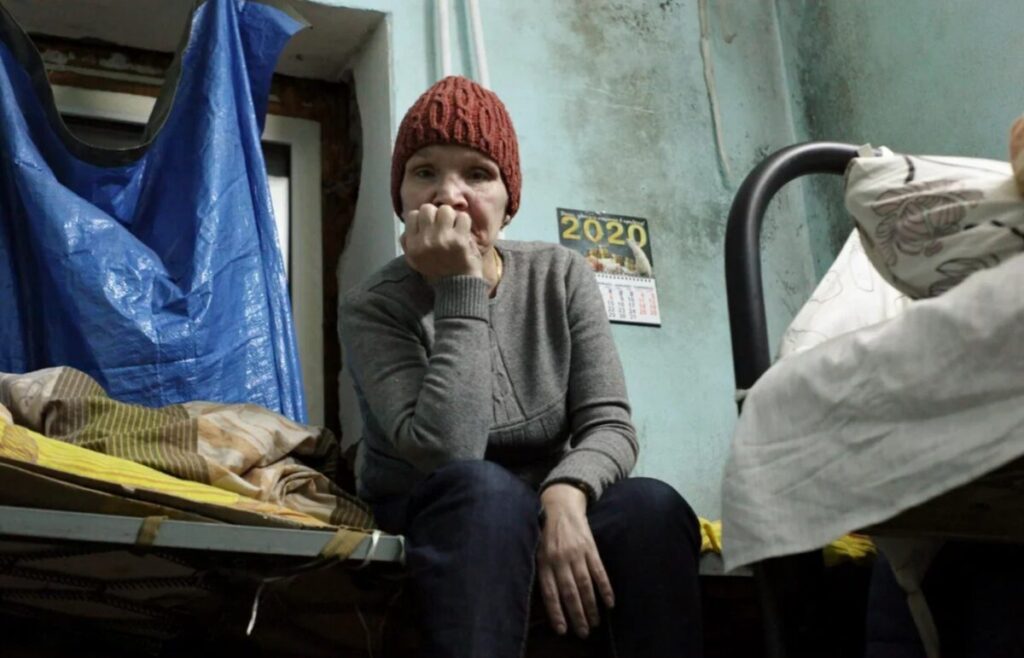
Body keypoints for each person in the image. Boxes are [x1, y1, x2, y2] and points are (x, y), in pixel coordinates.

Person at [339, 75, 702, 657]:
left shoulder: (560, 274)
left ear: (509, 201)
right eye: (424, 171)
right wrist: (459, 287)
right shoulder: (373, 306)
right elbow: (448, 452)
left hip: (544, 496)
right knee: (485, 491)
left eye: (478, 174)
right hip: (434, 501)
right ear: (401, 198)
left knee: (650, 507)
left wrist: (567, 492)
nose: (449, 196)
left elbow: (610, 424)